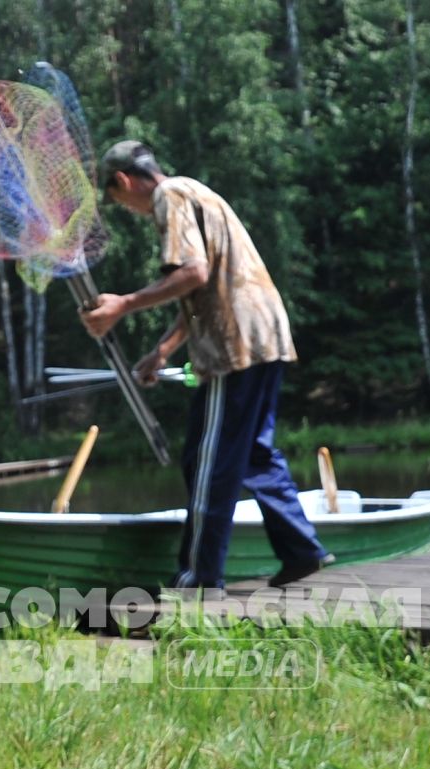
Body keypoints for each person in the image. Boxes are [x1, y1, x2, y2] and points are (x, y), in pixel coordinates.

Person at [78, 140, 330, 592]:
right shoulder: (197, 190)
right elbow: (206, 285)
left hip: (233, 343)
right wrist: (164, 349)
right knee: (254, 452)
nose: (130, 211)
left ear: (122, 182)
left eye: (119, 202)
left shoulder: (168, 197)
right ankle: (302, 550)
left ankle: (199, 577)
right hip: (264, 332)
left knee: (208, 461)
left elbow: (192, 272)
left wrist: (122, 305)